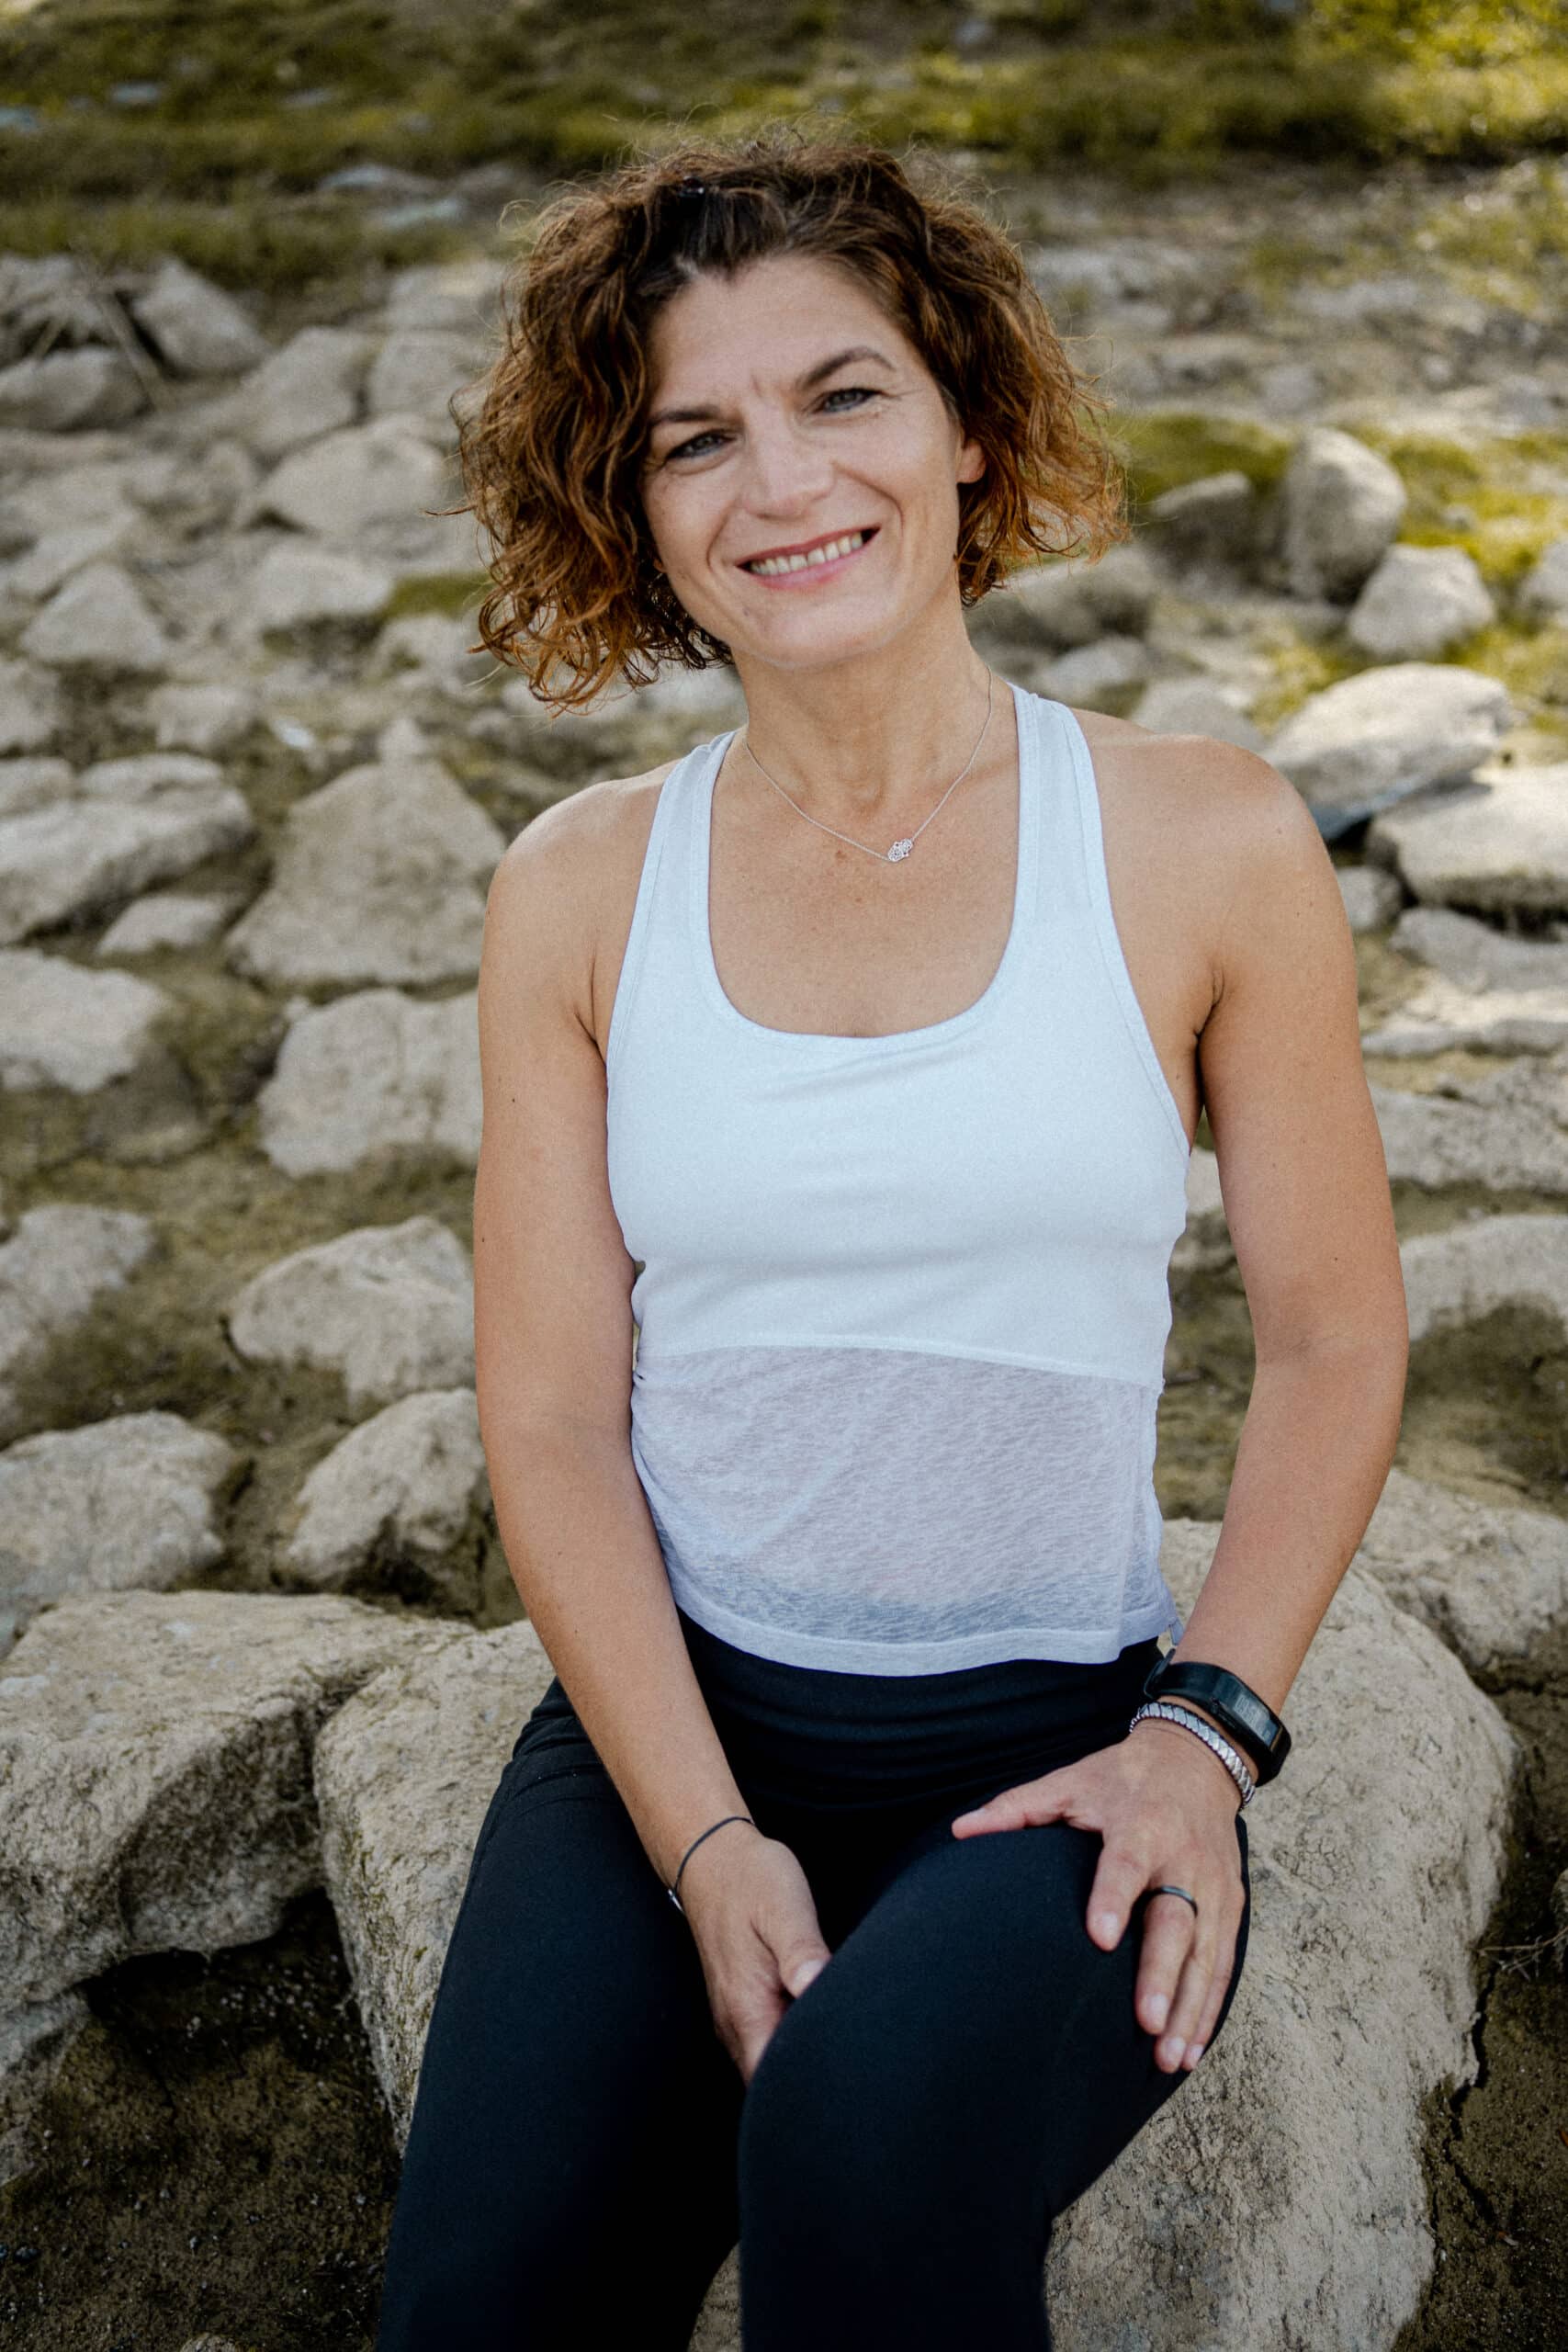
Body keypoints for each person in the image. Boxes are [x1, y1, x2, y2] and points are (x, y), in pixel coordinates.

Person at [373, 128, 1408, 2351]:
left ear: (963, 425)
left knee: (856, 2155)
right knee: (480, 2303)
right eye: (694, 437)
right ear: (634, 509)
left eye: (840, 393)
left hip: (1054, 1737)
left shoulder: (1201, 837)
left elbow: (1332, 1337)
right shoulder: (574, 887)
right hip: (680, 1726)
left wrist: (1204, 1731)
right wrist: (703, 1842)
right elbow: (546, 1415)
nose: (781, 482)